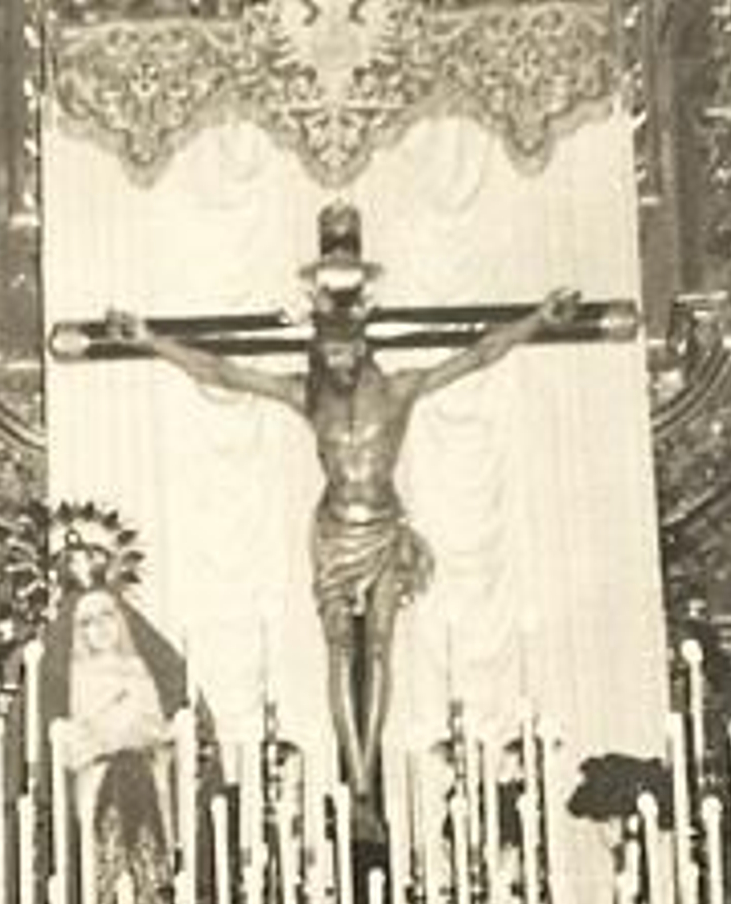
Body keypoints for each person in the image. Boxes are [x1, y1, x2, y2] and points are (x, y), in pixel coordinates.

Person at [103, 203, 580, 830]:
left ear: (366, 342)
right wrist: (149, 341)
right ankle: (356, 783)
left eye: (349, 350)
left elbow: (480, 355)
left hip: (382, 528)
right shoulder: (307, 395)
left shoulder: (403, 389)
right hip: (333, 531)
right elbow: (221, 371)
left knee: (378, 651)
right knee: (338, 653)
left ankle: (363, 781)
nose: (341, 362)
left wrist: (539, 320)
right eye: (330, 352)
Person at [48, 585, 174, 904]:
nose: (98, 628)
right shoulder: (74, 676)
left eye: (105, 616)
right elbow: (72, 743)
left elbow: (154, 730)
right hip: (97, 791)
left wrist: (141, 732)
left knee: (147, 900)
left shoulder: (138, 670)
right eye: (86, 620)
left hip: (141, 790)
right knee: (100, 901)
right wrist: (97, 730)